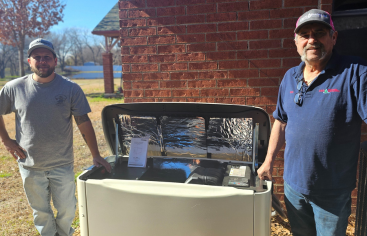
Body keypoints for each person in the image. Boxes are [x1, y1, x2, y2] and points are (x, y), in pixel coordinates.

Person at [257, 9, 367, 236]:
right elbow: (280, 121)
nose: (312, 40)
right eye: (305, 34)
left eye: (319, 33)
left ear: (333, 37)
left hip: (332, 192)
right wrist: (268, 161)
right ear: (296, 42)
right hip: (294, 186)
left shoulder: (355, 72)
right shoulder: (290, 77)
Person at [0, 38, 112, 236]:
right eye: (37, 57)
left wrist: (95, 154)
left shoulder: (70, 89)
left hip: (62, 163)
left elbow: (83, 121)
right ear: (29, 61)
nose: (42, 61)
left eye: (47, 57)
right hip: (30, 164)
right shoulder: (14, 88)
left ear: (55, 61)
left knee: (68, 210)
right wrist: (6, 140)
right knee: (41, 213)